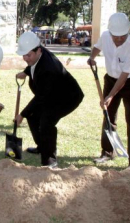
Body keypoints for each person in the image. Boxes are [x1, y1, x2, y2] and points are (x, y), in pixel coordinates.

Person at [15, 31, 84, 168]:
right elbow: (33, 64)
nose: (25, 58)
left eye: (28, 55)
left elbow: (41, 97)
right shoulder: (38, 52)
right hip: (51, 93)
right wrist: (26, 71)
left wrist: (21, 114)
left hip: (67, 97)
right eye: (23, 55)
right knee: (33, 116)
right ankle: (42, 146)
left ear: (39, 50)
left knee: (47, 122)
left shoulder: (49, 69)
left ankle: (50, 162)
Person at [87, 12, 130, 169]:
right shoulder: (105, 36)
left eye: (122, 36)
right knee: (108, 116)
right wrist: (92, 58)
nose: (118, 39)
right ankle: (107, 152)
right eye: (115, 36)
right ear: (110, 32)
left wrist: (110, 96)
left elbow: (124, 76)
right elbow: (97, 47)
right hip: (110, 79)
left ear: (128, 31)